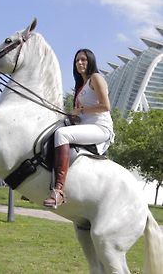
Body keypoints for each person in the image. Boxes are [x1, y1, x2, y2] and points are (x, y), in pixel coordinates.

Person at [43, 49, 115, 208]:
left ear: (91, 62)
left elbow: (105, 106)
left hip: (101, 128)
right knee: (54, 128)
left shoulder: (96, 78)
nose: (80, 63)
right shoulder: (81, 86)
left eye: (84, 60)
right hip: (86, 126)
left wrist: (81, 111)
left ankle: (59, 191)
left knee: (62, 134)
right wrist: (72, 116)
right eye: (77, 61)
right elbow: (80, 115)